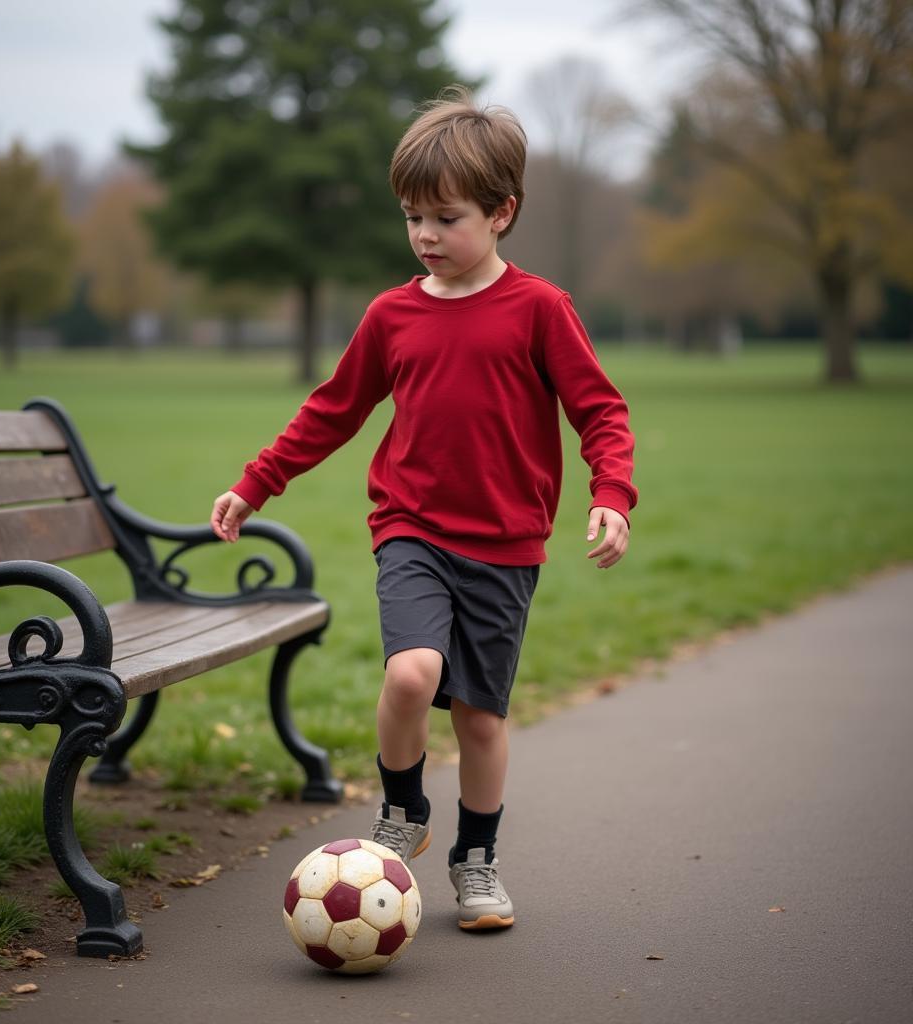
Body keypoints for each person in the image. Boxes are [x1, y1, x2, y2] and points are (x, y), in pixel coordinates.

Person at [211, 86, 637, 931]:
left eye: (446, 218)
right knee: (411, 672)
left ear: (502, 212)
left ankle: (475, 861)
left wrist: (612, 495)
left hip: (507, 546)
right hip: (410, 528)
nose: (426, 236)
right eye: (412, 218)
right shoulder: (392, 315)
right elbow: (334, 409)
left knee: (480, 720)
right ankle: (402, 807)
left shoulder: (540, 310)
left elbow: (601, 411)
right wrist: (257, 481)